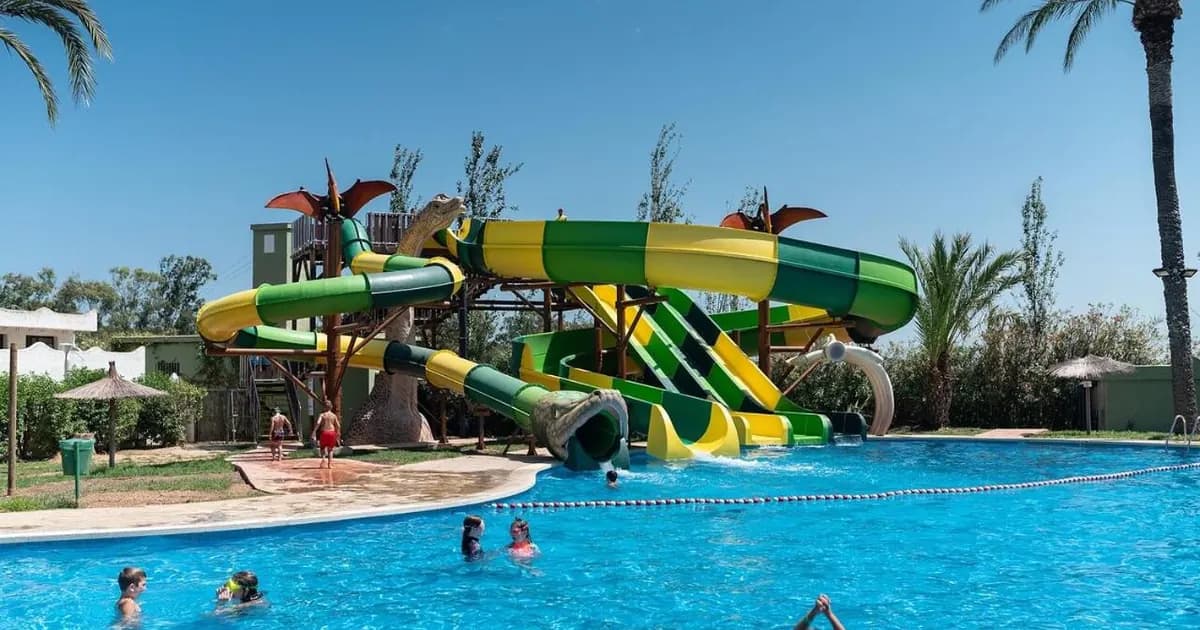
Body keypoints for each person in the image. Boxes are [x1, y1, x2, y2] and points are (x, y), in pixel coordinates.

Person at [310, 399, 341, 469]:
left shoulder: (322, 415)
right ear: (331, 407)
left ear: (324, 407)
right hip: (332, 433)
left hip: (324, 432)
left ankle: (323, 460)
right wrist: (338, 433)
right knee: (330, 450)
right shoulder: (333, 415)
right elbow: (338, 425)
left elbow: (318, 423)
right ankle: (329, 465)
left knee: (322, 448)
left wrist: (314, 431)